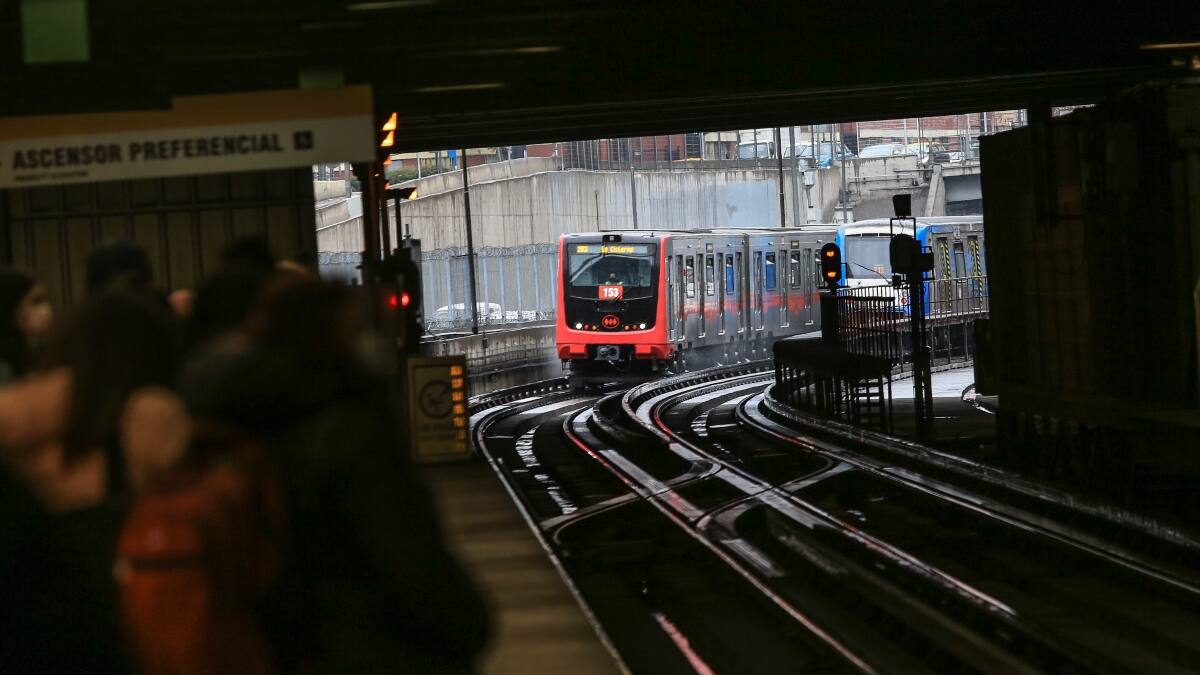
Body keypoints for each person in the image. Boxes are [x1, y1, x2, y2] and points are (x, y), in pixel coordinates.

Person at [180, 276, 491, 673]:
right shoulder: (349, 434)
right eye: (357, 328)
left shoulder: (223, 424)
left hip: (267, 644)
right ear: (329, 339)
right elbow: (409, 559)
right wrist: (469, 624)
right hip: (363, 646)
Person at [0, 268, 54, 385]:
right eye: (36, 302)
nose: (46, 310)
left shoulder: (29, 352)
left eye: (45, 300)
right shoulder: (3, 369)